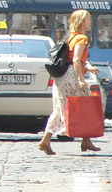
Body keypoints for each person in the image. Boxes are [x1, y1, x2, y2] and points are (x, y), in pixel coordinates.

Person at [38, 9, 102, 155]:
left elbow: (72, 58)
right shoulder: (81, 39)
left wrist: (88, 67)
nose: (90, 22)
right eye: (88, 19)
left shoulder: (70, 37)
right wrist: (81, 79)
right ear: (82, 22)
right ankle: (85, 140)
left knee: (60, 108)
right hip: (72, 77)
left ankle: (46, 141)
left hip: (62, 76)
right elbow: (76, 60)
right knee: (84, 106)